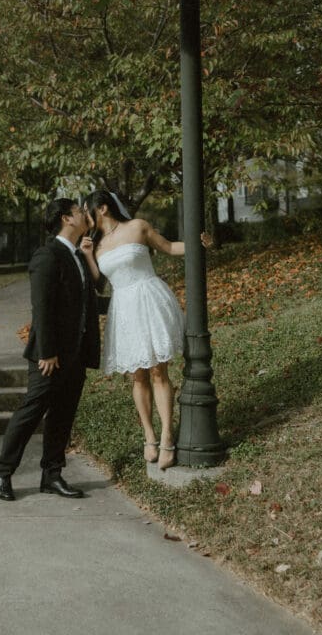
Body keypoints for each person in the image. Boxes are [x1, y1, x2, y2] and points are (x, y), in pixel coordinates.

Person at [80, 189, 210, 471]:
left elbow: (170, 248)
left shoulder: (138, 227)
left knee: (158, 371)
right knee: (137, 376)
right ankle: (149, 436)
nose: (85, 217)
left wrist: (198, 244)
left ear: (101, 209)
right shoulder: (96, 244)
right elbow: (97, 282)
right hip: (124, 309)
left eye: (87, 211)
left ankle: (167, 437)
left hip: (149, 299)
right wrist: (89, 255)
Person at [0, 197, 103, 501]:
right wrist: (47, 351)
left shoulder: (78, 255)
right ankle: (2, 472)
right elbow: (41, 308)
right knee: (32, 411)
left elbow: (95, 291)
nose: (86, 215)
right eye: (80, 212)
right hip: (50, 355)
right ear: (67, 218)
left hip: (76, 352)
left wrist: (90, 254)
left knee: (63, 415)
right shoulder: (47, 255)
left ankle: (52, 475)